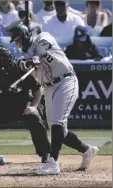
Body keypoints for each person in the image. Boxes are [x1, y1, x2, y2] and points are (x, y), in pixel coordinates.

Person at [8, 23, 99, 175]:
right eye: (15, 41)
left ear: (24, 36)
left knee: (57, 123)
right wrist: (27, 63)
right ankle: (86, 150)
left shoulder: (43, 38)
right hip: (48, 88)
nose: (17, 43)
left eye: (18, 40)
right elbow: (21, 63)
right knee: (59, 131)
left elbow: (43, 48)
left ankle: (53, 162)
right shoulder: (23, 56)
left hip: (66, 81)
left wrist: (37, 57)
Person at [0, 46, 51, 162]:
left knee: (34, 116)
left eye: (4, 57)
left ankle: (46, 153)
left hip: (20, 107)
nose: (2, 60)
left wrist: (33, 106)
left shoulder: (21, 71)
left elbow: (38, 89)